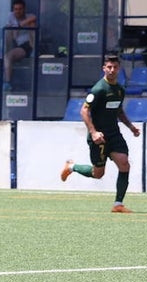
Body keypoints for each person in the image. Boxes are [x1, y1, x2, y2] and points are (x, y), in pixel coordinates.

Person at [60, 53, 140, 214]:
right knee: (98, 174)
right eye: (109, 67)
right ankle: (71, 166)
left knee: (124, 163)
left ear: (119, 69)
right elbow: (84, 111)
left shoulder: (119, 90)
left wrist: (131, 127)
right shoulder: (98, 89)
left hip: (114, 135)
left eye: (115, 67)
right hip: (99, 138)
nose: (112, 70)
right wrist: (94, 132)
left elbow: (119, 110)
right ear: (104, 68)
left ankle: (118, 204)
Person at [2, 0, 36, 85]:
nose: (18, 11)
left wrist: (21, 24)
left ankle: (7, 82)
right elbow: (12, 30)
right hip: (15, 43)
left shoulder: (29, 16)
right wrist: (19, 25)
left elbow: (34, 17)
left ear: (24, 9)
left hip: (27, 44)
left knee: (7, 57)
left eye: (20, 9)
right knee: (7, 28)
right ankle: (3, 51)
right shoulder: (11, 16)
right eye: (15, 9)